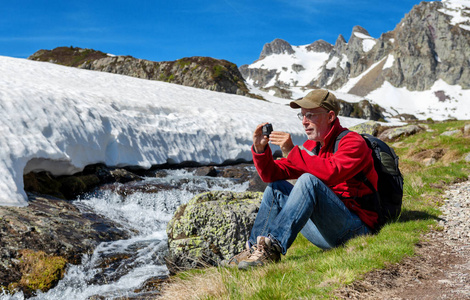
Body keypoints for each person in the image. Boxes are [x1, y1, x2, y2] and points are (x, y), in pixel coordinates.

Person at [227, 89, 379, 270]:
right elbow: (271, 175)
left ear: (330, 116)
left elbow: (332, 172)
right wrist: (260, 151)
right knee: (277, 188)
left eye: (311, 115)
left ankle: (271, 249)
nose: (304, 121)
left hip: (355, 231)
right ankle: (254, 250)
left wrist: (292, 151)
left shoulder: (353, 142)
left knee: (308, 181)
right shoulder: (312, 146)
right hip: (328, 231)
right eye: (303, 115)